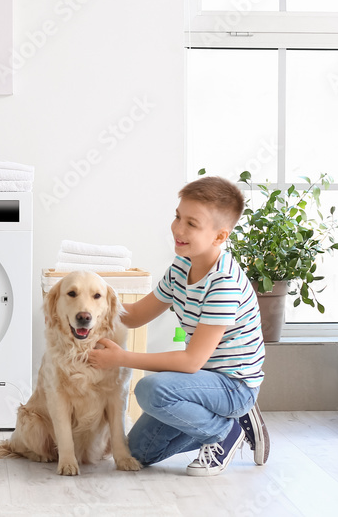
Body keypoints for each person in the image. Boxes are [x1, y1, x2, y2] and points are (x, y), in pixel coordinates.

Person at [89, 176, 269, 476]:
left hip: (233, 384)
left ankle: (224, 434)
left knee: (151, 390)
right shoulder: (181, 266)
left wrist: (120, 358)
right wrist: (93, 303)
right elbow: (134, 315)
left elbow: (190, 361)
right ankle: (224, 421)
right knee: (135, 453)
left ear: (220, 237)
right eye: (177, 217)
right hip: (202, 382)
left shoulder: (223, 283)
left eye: (191, 224)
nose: (178, 229)